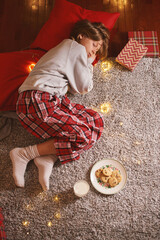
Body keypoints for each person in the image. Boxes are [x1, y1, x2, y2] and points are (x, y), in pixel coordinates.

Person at [9, 19, 110, 191]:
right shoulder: (74, 47)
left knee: (95, 121)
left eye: (97, 49)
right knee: (83, 134)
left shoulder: (66, 51)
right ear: (81, 36)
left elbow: (74, 86)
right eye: (94, 44)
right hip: (37, 100)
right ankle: (24, 153)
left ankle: (48, 157)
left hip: (48, 101)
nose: (94, 51)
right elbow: (84, 87)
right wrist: (90, 63)